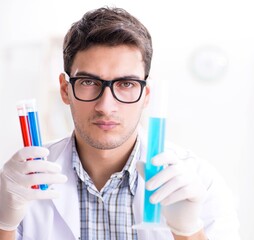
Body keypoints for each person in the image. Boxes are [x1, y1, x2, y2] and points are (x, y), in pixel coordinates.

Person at [0, 7, 240, 240]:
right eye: (88, 82)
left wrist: (188, 232)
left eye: (126, 84)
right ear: (65, 89)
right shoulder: (19, 183)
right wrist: (4, 224)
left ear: (146, 94)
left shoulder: (199, 183)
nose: (106, 106)